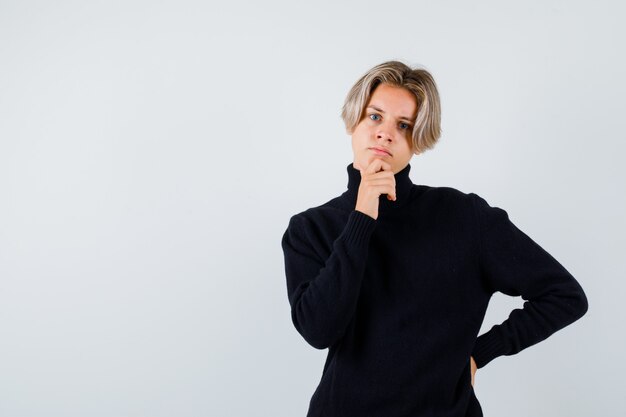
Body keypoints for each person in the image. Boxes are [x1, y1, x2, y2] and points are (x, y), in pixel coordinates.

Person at [280, 60, 588, 417]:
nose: (385, 133)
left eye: (404, 125)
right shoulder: (311, 228)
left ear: (418, 140)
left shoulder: (464, 218)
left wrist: (480, 353)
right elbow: (319, 330)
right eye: (375, 117)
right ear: (354, 122)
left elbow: (564, 296)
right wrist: (362, 217)